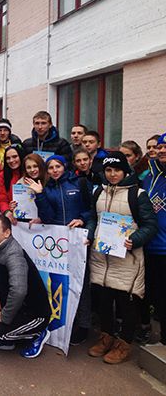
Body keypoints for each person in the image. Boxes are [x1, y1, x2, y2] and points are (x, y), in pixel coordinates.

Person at [86, 152, 157, 364]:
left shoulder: (137, 194)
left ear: (125, 171)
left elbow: (150, 225)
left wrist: (134, 240)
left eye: (117, 170)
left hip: (127, 258)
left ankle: (124, 343)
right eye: (108, 170)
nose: (112, 174)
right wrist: (90, 233)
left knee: (127, 304)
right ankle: (106, 336)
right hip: (102, 257)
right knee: (105, 302)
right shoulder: (99, 191)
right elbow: (93, 218)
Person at [29, 154, 92, 344]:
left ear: (65, 166)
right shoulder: (46, 188)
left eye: (58, 166)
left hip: (78, 240)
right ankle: (64, 324)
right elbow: (47, 216)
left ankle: (83, 325)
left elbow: (91, 209)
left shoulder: (79, 183)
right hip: (57, 241)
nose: (54, 170)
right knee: (59, 282)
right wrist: (40, 195)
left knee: (81, 283)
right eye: (51, 167)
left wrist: (82, 219)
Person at [0, 215, 51, 358]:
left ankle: (37, 334)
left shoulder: (14, 255)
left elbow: (19, 291)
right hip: (18, 307)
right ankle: (5, 341)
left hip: (34, 314)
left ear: (7, 233)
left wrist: (3, 317)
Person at [143, 133, 166, 345]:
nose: (162, 150)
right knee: (157, 296)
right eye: (160, 147)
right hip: (151, 246)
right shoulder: (149, 177)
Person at [0, 145, 25, 224]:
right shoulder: (2, 175)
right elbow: (1, 198)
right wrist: (7, 210)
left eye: (15, 156)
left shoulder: (29, 172)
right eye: (8, 158)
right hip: (11, 217)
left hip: (31, 217)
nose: (11, 160)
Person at [16, 153, 46, 224]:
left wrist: (41, 218)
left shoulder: (50, 181)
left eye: (35, 166)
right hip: (27, 223)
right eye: (29, 167)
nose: (32, 170)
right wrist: (14, 207)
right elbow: (21, 209)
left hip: (48, 224)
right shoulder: (20, 184)